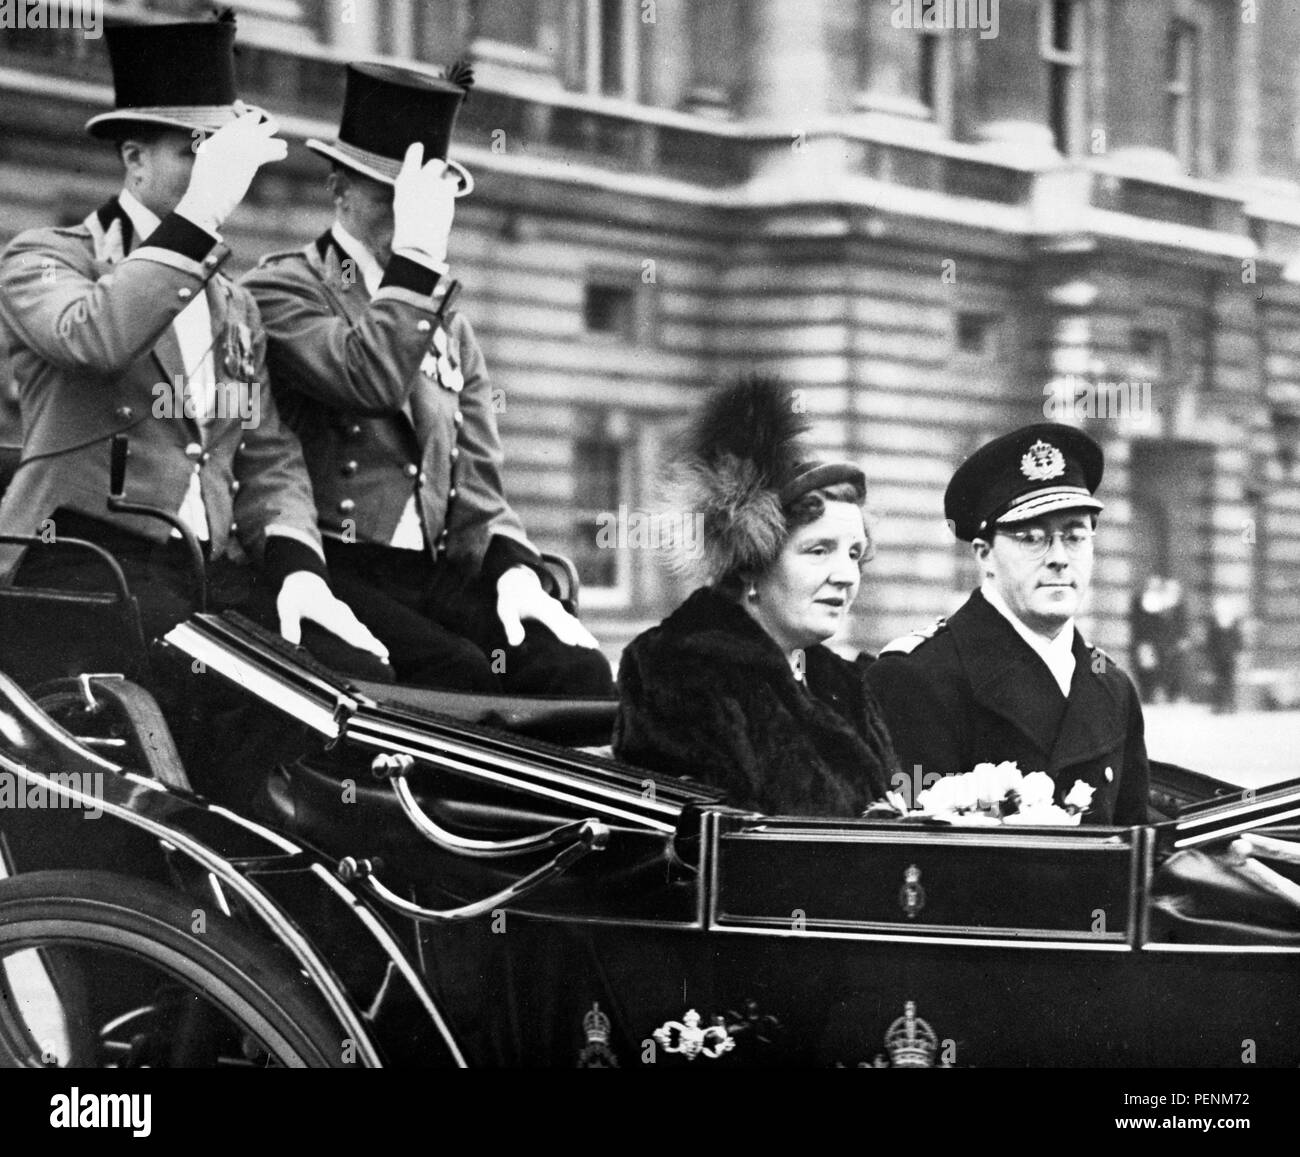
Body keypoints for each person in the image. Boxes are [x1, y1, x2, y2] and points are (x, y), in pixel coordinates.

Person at [0, 15, 388, 679]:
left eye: (220, 154)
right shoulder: (45, 258)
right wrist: (198, 215)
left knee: (357, 671)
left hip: (205, 566)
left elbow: (266, 454)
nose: (217, 173)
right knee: (264, 692)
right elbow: (95, 338)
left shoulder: (231, 302)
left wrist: (300, 573)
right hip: (79, 558)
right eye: (195, 151)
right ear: (134, 159)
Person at [242, 61, 613, 697]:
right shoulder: (281, 289)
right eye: (393, 195)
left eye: (426, 200)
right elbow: (369, 380)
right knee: (456, 678)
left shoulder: (448, 322)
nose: (413, 217)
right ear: (340, 189)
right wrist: (416, 261)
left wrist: (513, 571)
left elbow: (478, 485)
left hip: (435, 572)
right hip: (333, 560)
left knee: (572, 674)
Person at [613, 376, 898, 817]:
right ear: (751, 564)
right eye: (818, 551)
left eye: (855, 554)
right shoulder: (679, 672)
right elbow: (724, 850)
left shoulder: (841, 682)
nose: (846, 575)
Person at [865, 423, 1149, 825]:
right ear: (984, 555)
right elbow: (908, 855)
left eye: (1075, 536)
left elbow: (1137, 839)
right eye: (1032, 538)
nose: (1058, 558)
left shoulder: (1112, 686)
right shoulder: (916, 677)